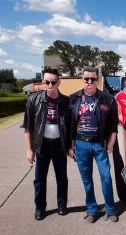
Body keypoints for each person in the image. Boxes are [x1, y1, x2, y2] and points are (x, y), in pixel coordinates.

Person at [69, 67, 119, 223]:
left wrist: (110, 143)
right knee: (87, 179)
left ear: (97, 80)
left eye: (92, 79)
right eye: (86, 79)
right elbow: (69, 125)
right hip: (81, 144)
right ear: (82, 80)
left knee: (106, 177)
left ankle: (110, 210)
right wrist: (70, 147)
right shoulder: (73, 99)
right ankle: (91, 209)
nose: (89, 82)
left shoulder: (108, 99)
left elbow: (114, 125)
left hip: (99, 145)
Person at [21, 67, 70, 221]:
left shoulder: (65, 101)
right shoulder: (34, 100)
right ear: (43, 81)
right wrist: (30, 150)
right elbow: (28, 126)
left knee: (62, 178)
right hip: (42, 146)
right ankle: (40, 208)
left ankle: (62, 205)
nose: (50, 85)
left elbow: (71, 126)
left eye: (53, 82)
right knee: (40, 180)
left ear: (58, 82)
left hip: (59, 145)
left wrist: (70, 146)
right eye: (47, 82)